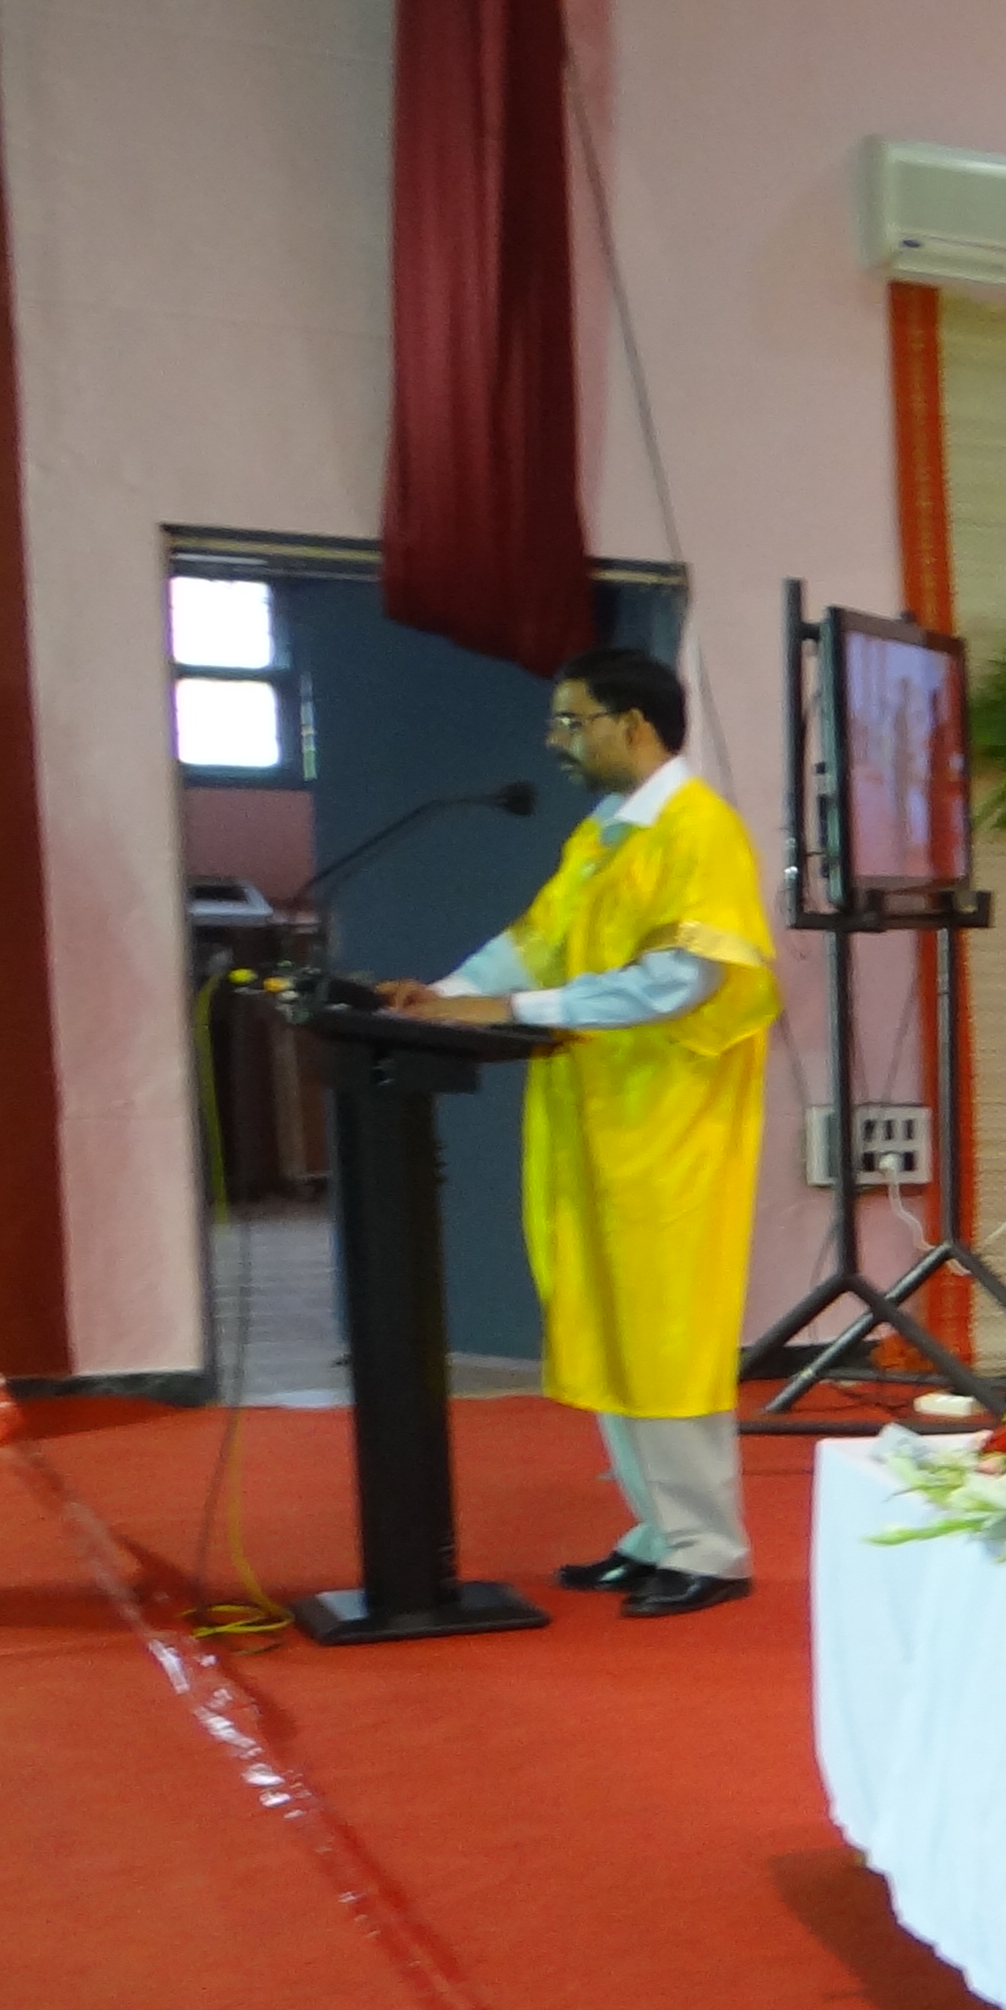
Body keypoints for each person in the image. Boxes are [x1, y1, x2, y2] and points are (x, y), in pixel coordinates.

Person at [380, 647, 778, 1618]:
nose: (554, 741)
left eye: (572, 721)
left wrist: (513, 1008)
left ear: (633, 725)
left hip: (670, 1125)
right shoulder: (606, 831)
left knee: (665, 1331)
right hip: (598, 1114)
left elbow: (680, 981)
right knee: (608, 1322)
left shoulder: (698, 831)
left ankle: (711, 1548)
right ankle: (657, 1532)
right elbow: (535, 942)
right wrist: (445, 995)